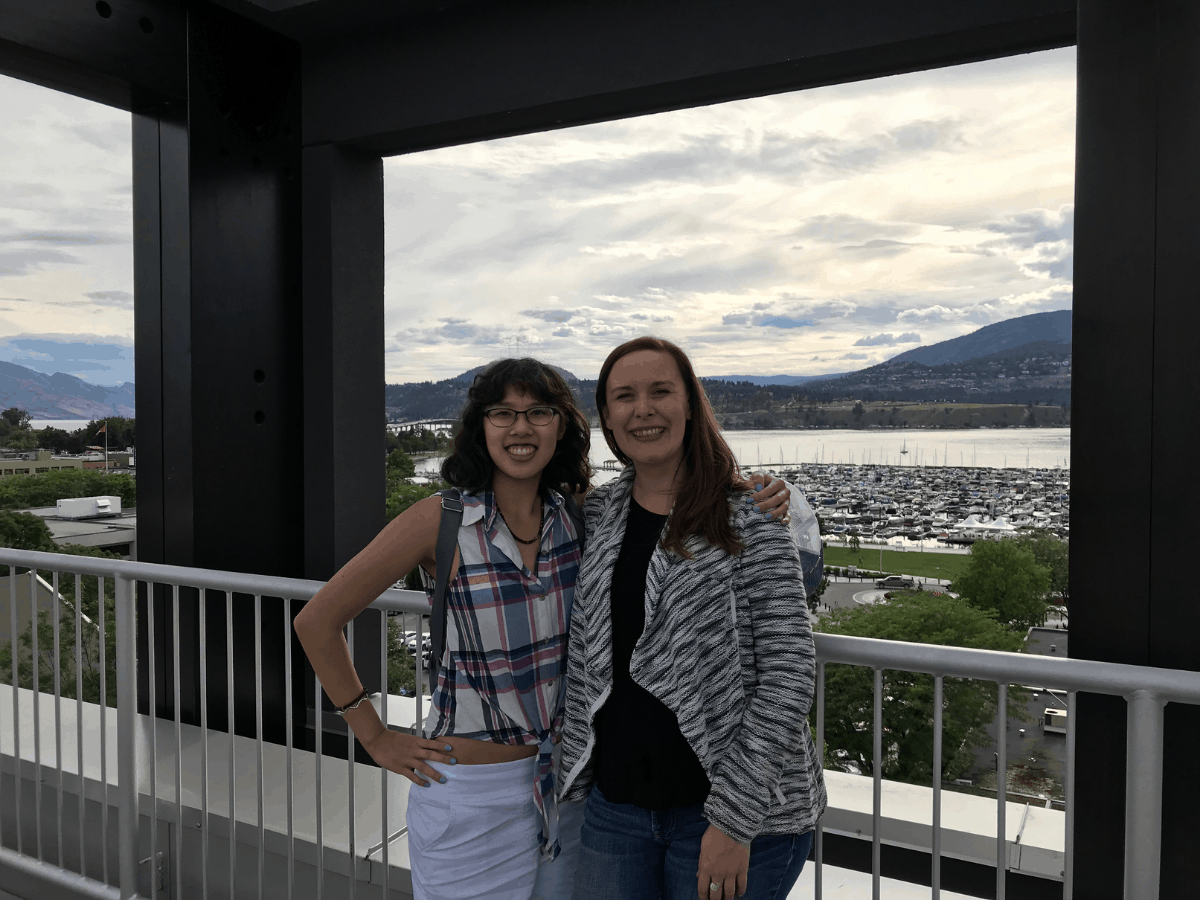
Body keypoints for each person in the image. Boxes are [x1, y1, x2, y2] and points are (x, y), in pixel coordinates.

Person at [294, 356, 791, 900]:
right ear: (480, 427)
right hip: (469, 799)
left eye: (539, 412)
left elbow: (674, 503)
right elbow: (317, 621)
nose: (521, 428)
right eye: (502, 413)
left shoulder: (579, 514)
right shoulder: (442, 519)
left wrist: (763, 492)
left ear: (563, 426)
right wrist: (374, 736)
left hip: (567, 790)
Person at [558, 337, 827, 900]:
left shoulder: (748, 513)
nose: (643, 409)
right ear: (606, 416)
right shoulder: (602, 511)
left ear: (689, 405)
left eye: (661, 391)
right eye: (624, 396)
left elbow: (790, 670)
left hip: (736, 812)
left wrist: (733, 820)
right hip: (618, 806)